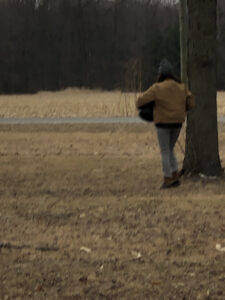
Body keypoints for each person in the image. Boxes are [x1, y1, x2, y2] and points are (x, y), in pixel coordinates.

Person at [136, 59, 195, 189]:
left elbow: (140, 101)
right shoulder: (181, 87)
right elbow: (191, 103)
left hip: (163, 123)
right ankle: (174, 174)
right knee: (170, 148)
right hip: (178, 123)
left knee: (165, 151)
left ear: (160, 74)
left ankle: (167, 178)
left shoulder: (157, 88)